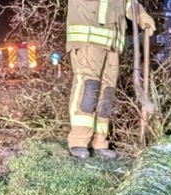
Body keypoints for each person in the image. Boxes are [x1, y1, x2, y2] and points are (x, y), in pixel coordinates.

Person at [65, 0, 157, 159]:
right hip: (88, 39)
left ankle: (100, 142)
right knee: (89, 88)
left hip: (112, 44)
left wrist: (141, 15)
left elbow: (128, 4)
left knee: (107, 94)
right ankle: (79, 141)